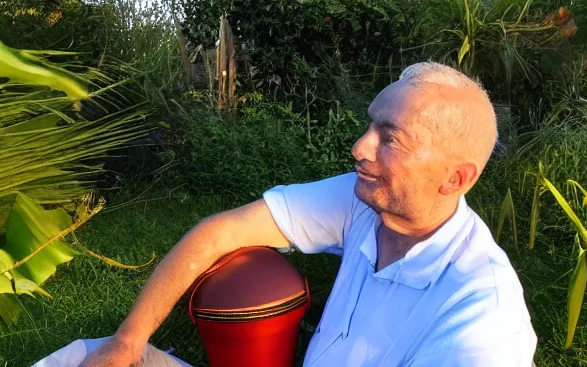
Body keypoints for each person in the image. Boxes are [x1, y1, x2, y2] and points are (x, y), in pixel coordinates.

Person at [79, 62, 537, 367]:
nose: (360, 147)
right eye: (371, 124)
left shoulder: (483, 317)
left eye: (390, 137)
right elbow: (220, 234)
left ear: (455, 179)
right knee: (81, 356)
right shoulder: (365, 203)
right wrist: (127, 340)